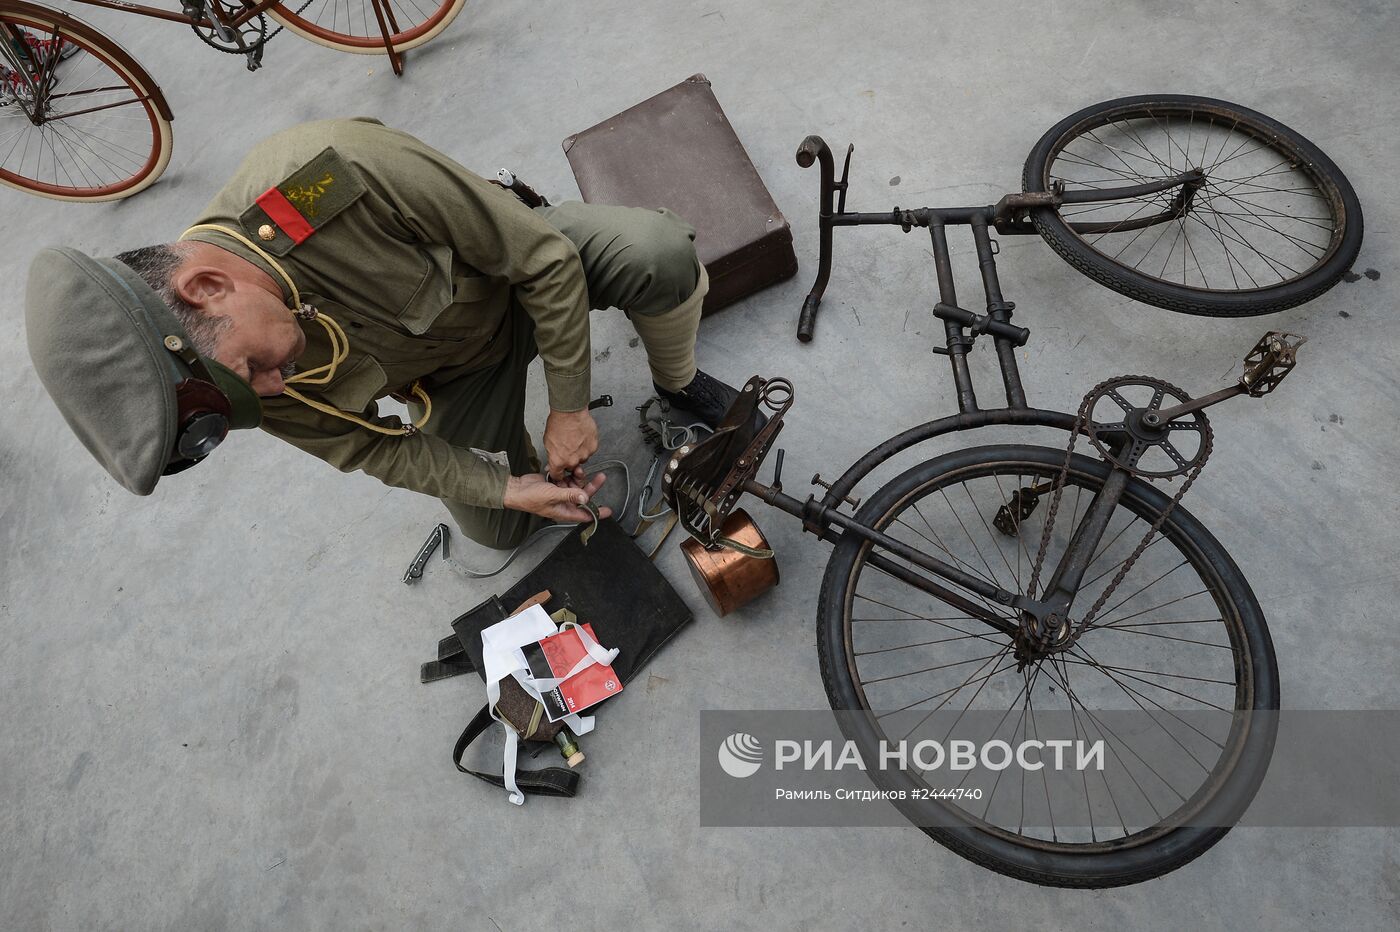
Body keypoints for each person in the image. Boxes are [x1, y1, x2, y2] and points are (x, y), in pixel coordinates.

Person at [25, 117, 747, 549]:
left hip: (519, 281)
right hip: (459, 375)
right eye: (256, 390)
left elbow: (543, 259)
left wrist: (568, 404)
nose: (273, 390)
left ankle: (677, 382)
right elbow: (369, 446)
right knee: (501, 528)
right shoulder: (233, 384)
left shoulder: (319, 175)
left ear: (208, 288)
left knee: (658, 255)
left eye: (255, 370)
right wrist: (506, 490)